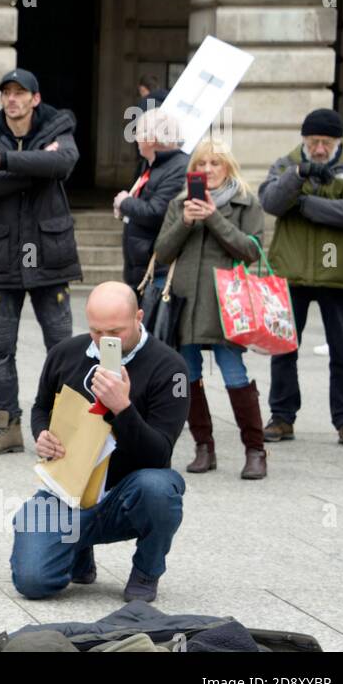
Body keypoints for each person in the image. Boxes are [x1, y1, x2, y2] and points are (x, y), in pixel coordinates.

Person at [11, 282, 189, 603]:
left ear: (139, 317)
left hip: (128, 493)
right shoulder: (65, 353)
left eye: (115, 331)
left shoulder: (170, 367)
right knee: (33, 581)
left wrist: (123, 408)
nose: (105, 340)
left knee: (160, 488)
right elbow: (41, 407)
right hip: (70, 489)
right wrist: (42, 434)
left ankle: (146, 570)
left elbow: (160, 452)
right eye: (96, 331)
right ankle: (78, 547)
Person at [0, 68, 81, 455]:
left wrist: (3, 161)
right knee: (1, 349)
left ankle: (65, 427)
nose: (12, 99)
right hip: (3, 255)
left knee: (62, 347)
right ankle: (7, 426)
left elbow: (63, 164)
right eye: (6, 93)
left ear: (35, 98)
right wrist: (34, 168)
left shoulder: (57, 126)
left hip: (50, 253)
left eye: (20, 93)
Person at [259, 108, 343, 450]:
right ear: (305, 141)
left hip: (337, 270)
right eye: (313, 142)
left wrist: (303, 203)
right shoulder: (286, 164)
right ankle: (281, 417)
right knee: (283, 349)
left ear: (338, 141)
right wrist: (298, 176)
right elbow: (271, 202)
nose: (320, 148)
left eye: (325, 142)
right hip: (290, 270)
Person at [152, 139, 267, 478]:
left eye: (215, 164)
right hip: (184, 302)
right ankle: (204, 447)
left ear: (228, 167)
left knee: (235, 375)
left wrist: (214, 218)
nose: (207, 170)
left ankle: (255, 451)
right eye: (201, 164)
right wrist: (185, 222)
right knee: (188, 376)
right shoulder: (180, 203)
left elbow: (251, 250)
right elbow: (162, 252)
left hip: (227, 305)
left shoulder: (246, 203)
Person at [115, 107, 188, 290]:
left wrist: (125, 203)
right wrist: (125, 209)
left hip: (158, 269)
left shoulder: (178, 168)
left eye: (138, 133)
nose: (136, 140)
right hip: (142, 266)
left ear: (151, 138)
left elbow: (156, 212)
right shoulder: (152, 165)